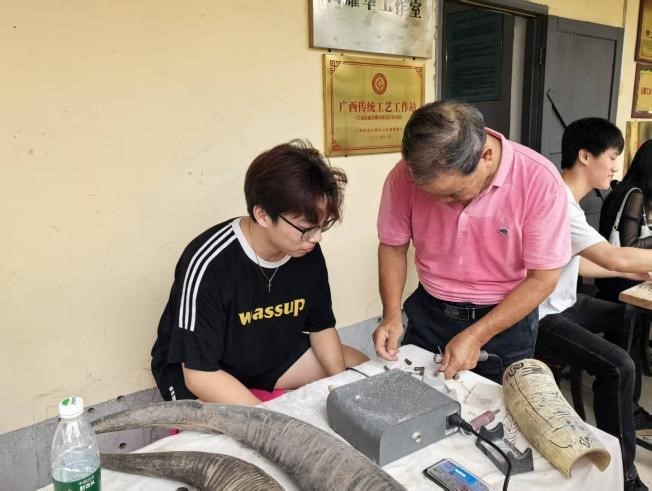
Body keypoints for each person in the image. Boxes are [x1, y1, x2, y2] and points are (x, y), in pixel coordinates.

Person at [151, 139, 368, 405]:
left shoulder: (305, 250)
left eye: (322, 226)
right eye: (306, 228)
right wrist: (268, 420)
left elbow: (321, 328)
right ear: (263, 215)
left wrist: (342, 386)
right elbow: (199, 374)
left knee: (361, 369)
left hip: (267, 355)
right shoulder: (210, 263)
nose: (316, 238)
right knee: (233, 430)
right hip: (202, 370)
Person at [373, 100, 571, 383]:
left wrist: (478, 335)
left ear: (485, 155)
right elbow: (393, 246)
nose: (440, 203)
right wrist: (392, 314)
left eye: (453, 193)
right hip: (430, 312)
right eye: (430, 194)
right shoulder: (403, 176)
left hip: (505, 320)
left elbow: (543, 278)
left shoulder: (539, 180)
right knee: (417, 398)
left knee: (496, 405)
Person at [534, 118, 652, 491]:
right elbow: (614, 256)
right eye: (612, 157)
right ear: (585, 156)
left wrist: (635, 272)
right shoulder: (560, 203)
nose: (616, 166)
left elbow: (580, 263)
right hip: (540, 314)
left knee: (627, 315)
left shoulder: (568, 199)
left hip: (566, 302)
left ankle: (620, 409)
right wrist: (625, 266)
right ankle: (625, 476)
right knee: (618, 365)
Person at [597, 139, 652, 302]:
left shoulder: (623, 189)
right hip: (622, 279)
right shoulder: (635, 195)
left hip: (611, 275)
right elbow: (630, 245)